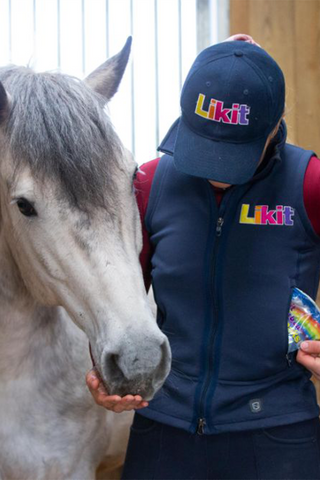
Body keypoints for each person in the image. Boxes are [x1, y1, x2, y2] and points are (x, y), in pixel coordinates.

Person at [87, 35, 320, 479]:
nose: (215, 169)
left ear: (276, 124)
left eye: (233, 155)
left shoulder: (308, 184)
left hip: (277, 436)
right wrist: (103, 369)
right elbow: (113, 296)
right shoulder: (149, 185)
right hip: (163, 433)